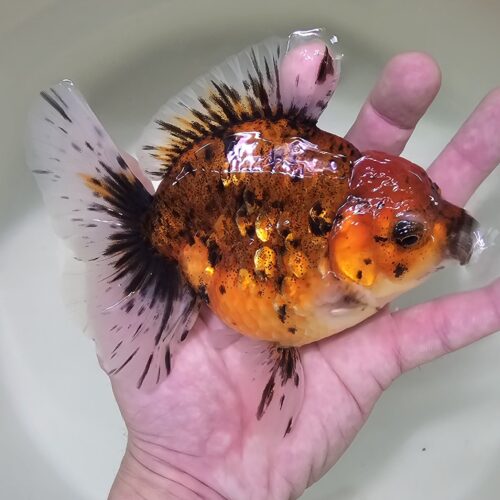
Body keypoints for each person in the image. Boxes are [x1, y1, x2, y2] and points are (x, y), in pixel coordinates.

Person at [108, 49, 500, 499]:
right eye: (407, 236)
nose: (427, 241)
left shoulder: (343, 279)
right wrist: (175, 476)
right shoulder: (330, 288)